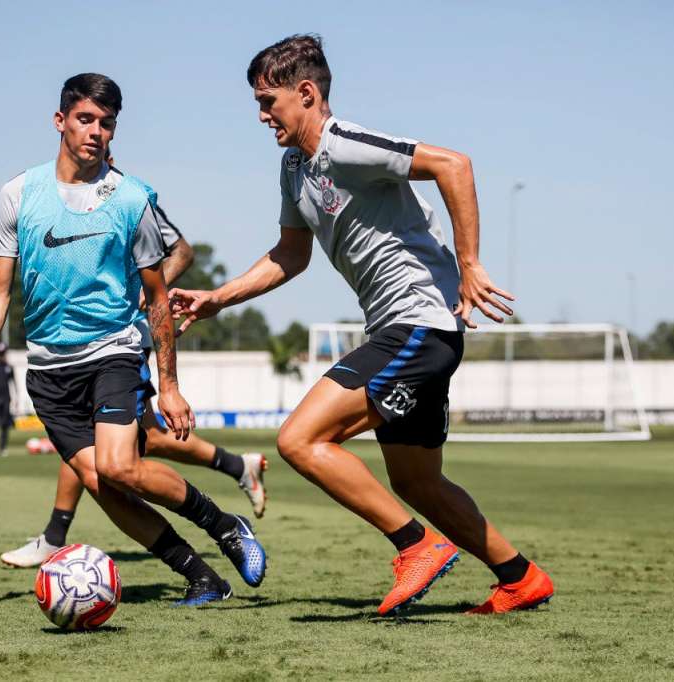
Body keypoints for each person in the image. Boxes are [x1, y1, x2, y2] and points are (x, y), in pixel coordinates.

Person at [171, 35, 554, 615]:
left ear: (307, 93)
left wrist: (469, 263)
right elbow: (290, 255)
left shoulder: (345, 143)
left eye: (268, 101)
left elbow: (454, 164)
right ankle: (519, 578)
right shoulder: (294, 168)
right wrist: (219, 297)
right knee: (417, 482)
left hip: (420, 324)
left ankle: (416, 546)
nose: (260, 115)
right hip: (402, 332)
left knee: (300, 440)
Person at [0, 73, 266, 605]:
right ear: (60, 121)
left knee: (119, 466)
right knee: (103, 486)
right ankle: (202, 578)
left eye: (107, 123)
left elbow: (156, 298)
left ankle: (225, 525)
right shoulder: (17, 194)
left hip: (113, 352)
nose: (96, 131)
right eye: (85, 119)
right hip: (49, 370)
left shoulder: (131, 198)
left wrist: (169, 387)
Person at [1, 161, 268, 568]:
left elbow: (180, 250)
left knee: (115, 453)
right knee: (126, 446)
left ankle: (56, 534)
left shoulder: (127, 196)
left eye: (104, 125)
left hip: (119, 339)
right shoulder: (57, 195)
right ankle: (236, 468)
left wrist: (146, 295)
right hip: (79, 348)